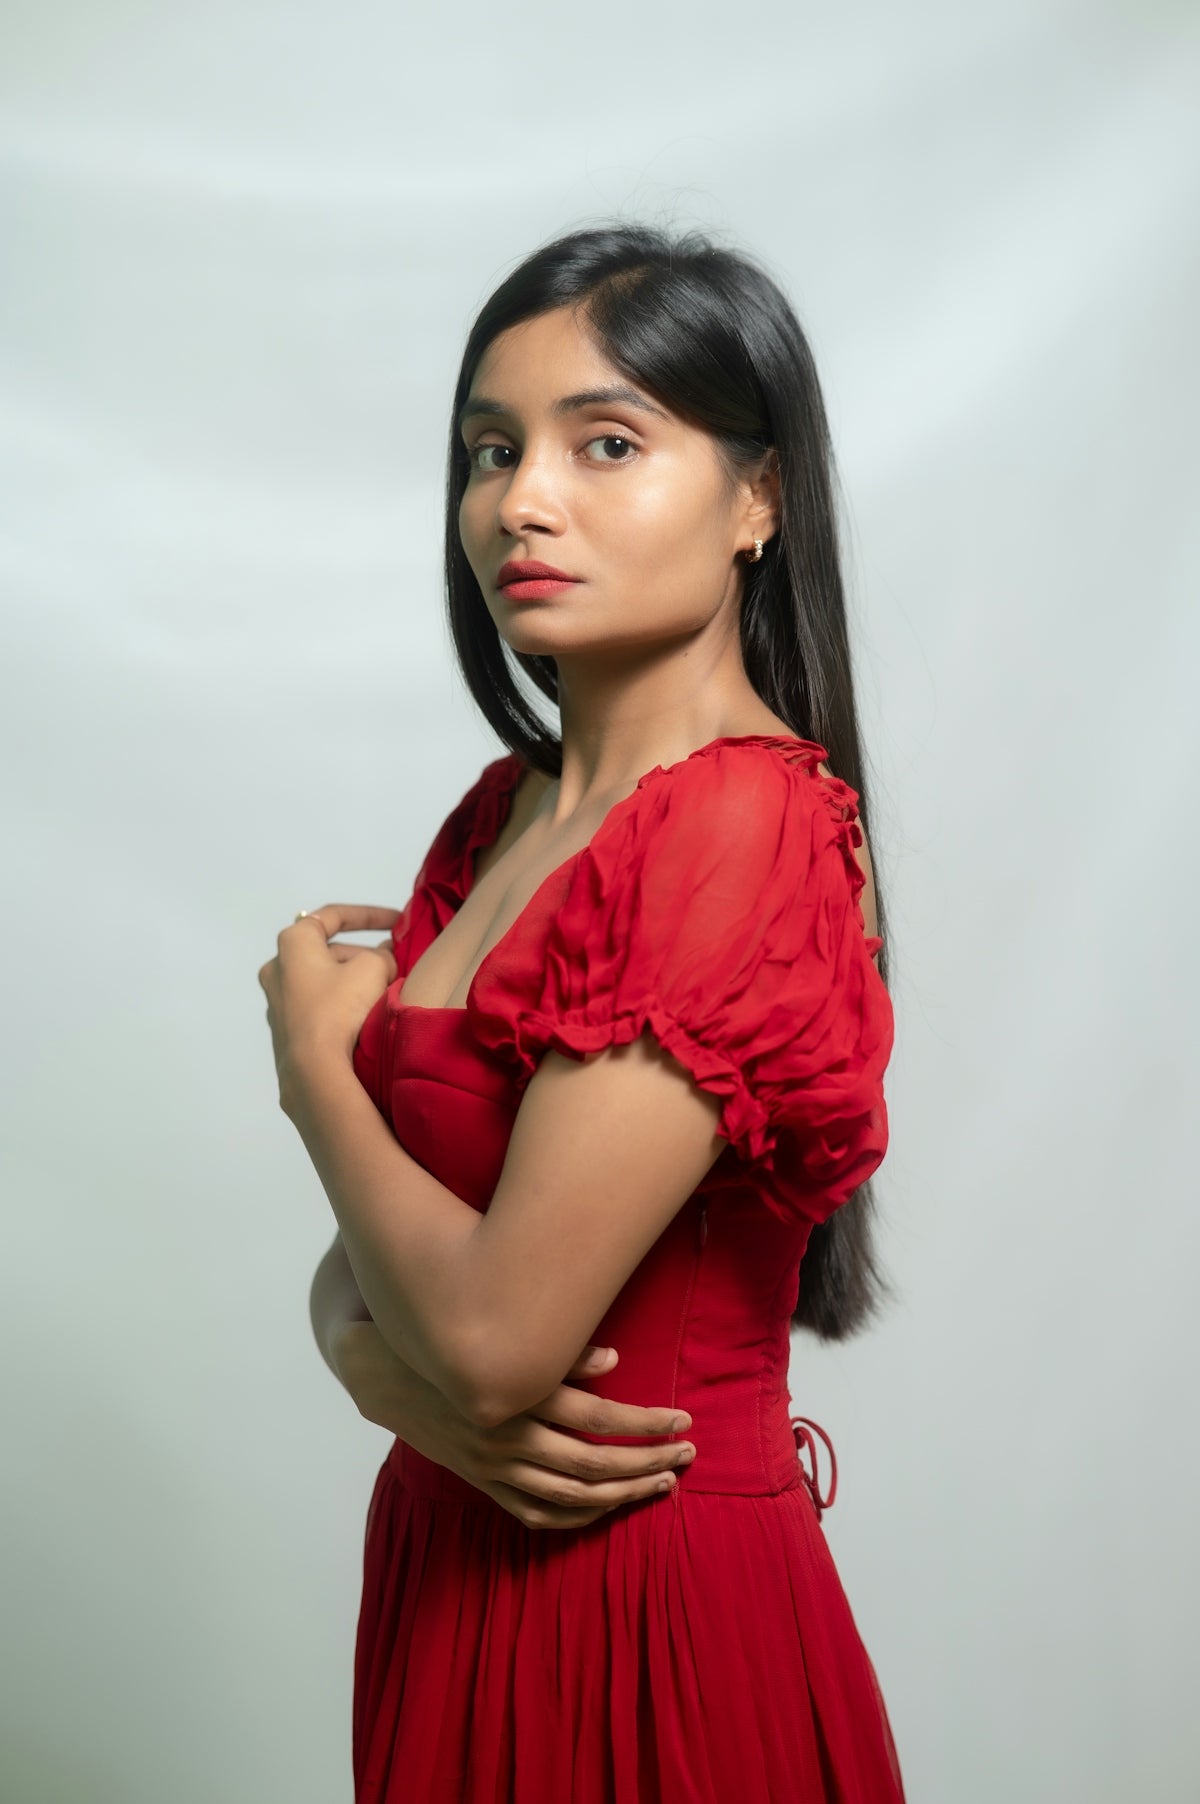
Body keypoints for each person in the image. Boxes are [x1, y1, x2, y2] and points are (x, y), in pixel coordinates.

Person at [258, 223, 906, 1803]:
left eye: (604, 442)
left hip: (647, 1615)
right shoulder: (501, 819)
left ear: (760, 496)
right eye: (491, 450)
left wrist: (310, 1067)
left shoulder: (736, 831)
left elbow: (487, 1338)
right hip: (442, 1583)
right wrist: (359, 1354)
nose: (519, 501)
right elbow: (388, 1272)